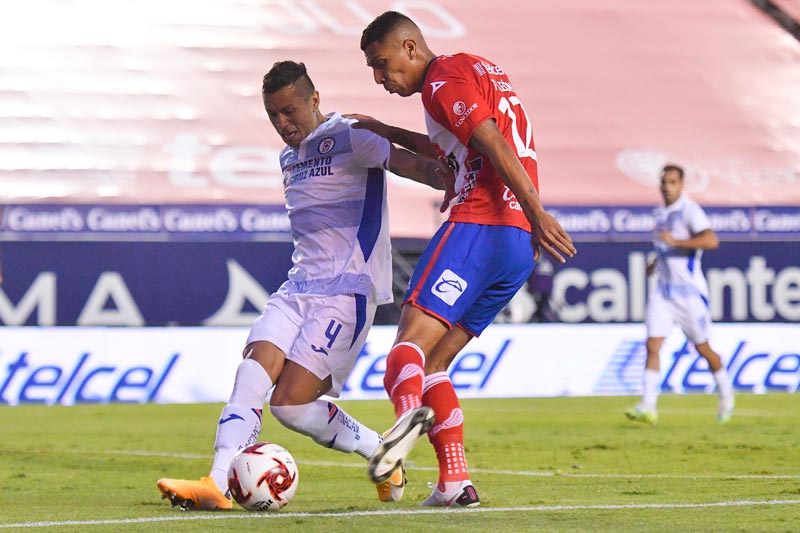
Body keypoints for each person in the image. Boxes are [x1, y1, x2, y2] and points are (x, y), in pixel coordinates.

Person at [156, 60, 454, 510]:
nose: (283, 123)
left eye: (290, 111)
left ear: (315, 100)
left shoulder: (352, 137)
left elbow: (417, 166)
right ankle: (216, 482)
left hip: (345, 294)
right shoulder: (288, 158)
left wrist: (456, 183)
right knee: (251, 371)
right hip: (297, 288)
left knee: (290, 406)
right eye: (274, 114)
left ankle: (379, 450)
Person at [356, 12, 576, 508]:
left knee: (405, 352)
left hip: (482, 221)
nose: (380, 78)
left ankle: (403, 430)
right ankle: (454, 482)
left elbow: (490, 141)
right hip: (516, 246)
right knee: (435, 364)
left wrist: (541, 211)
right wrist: (384, 129)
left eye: (382, 64)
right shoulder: (476, 69)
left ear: (411, 48)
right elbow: (453, 149)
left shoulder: (441, 79)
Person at [625, 164, 735, 426]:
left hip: (689, 295)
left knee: (703, 349)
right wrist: (656, 262)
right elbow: (668, 247)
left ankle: (727, 394)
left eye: (672, 182)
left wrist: (676, 243)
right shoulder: (660, 214)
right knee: (652, 344)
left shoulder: (690, 210)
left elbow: (711, 241)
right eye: (664, 181)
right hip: (664, 292)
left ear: (682, 184)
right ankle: (648, 406)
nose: (667, 186)